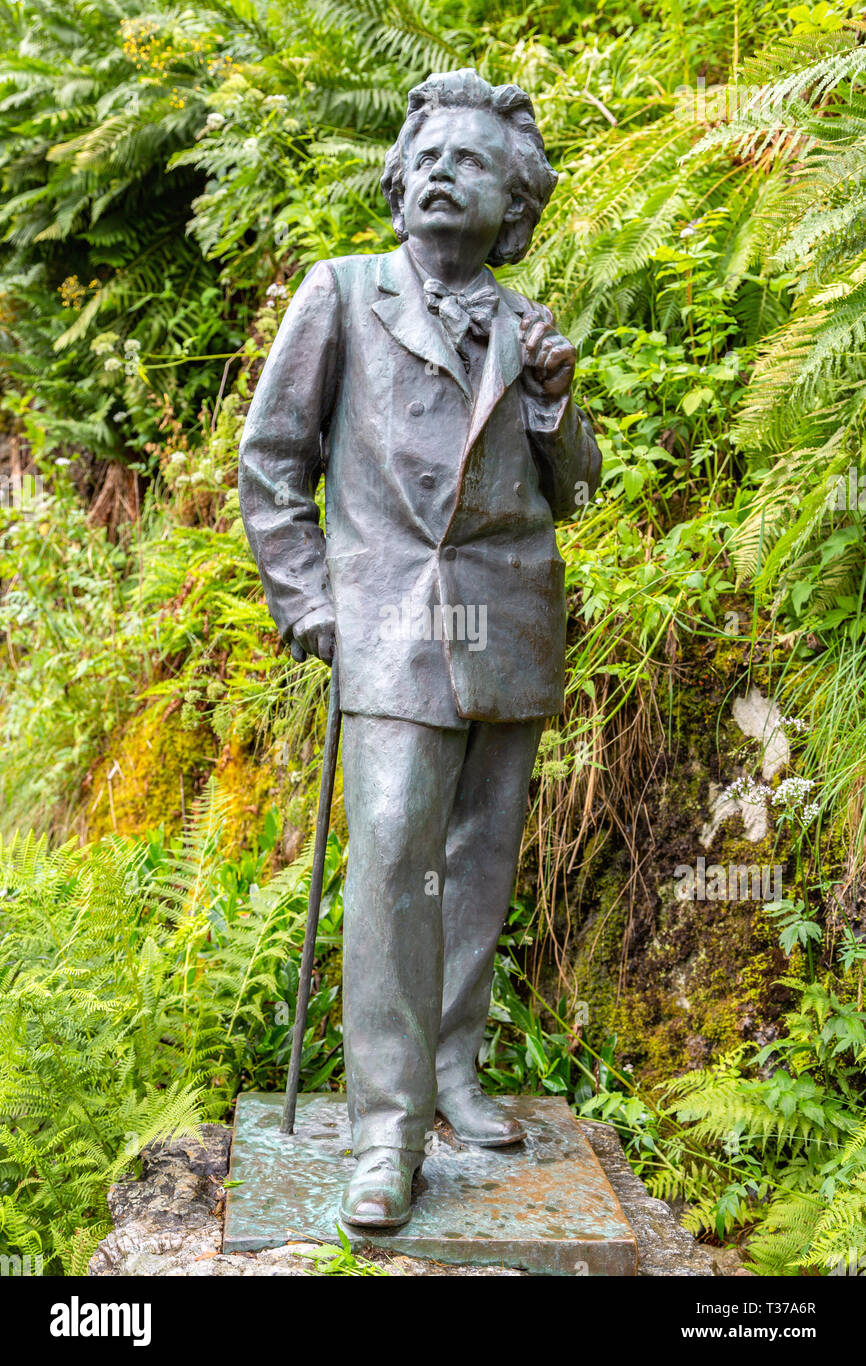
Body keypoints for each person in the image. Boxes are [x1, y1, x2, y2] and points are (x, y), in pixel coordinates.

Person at [239, 68, 601, 1228]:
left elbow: (576, 491)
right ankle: (384, 1131)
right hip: (387, 622)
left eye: (474, 163)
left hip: (509, 624)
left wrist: (552, 401)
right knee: (396, 854)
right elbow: (271, 461)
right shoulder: (340, 294)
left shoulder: (524, 325)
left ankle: (453, 1067)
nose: (445, 172)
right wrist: (309, 603)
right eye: (428, 157)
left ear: (512, 207)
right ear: (398, 186)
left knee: (478, 860)